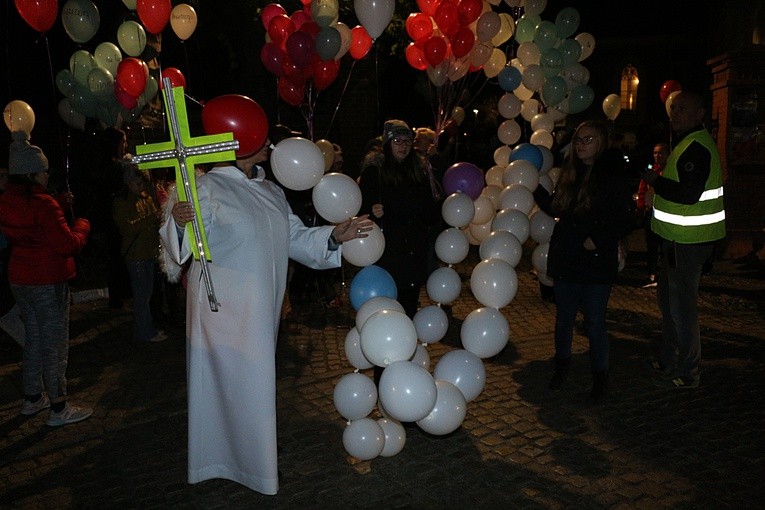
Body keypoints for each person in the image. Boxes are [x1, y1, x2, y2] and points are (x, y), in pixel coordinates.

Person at [159, 135, 373, 495]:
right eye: (259, 137)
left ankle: (252, 462)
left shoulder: (271, 190)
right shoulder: (208, 187)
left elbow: (294, 237)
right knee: (219, 386)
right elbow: (184, 251)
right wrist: (180, 223)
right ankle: (215, 460)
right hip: (220, 310)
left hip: (260, 312)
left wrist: (334, 236)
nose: (269, 144)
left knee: (255, 388)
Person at [532, 120, 635, 402]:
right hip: (568, 258)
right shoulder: (570, 173)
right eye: (578, 139)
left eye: (588, 140)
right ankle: (561, 366)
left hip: (595, 261)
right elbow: (556, 206)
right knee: (564, 319)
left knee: (594, 323)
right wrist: (532, 187)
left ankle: (600, 377)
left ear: (601, 143)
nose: (581, 144)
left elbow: (626, 218)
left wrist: (598, 238)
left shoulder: (612, 176)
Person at [0, 131, 92, 425]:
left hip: (20, 277)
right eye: (43, 170)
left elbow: (35, 229)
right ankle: (58, 406)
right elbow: (67, 244)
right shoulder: (43, 204)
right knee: (54, 343)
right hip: (47, 279)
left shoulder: (6, 201)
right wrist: (82, 226)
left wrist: (59, 208)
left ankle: (32, 398)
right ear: (32, 173)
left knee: (35, 339)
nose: (46, 175)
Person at [641, 91, 726, 389]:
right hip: (676, 240)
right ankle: (668, 358)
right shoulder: (687, 143)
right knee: (668, 302)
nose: (675, 114)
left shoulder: (696, 147)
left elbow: (688, 194)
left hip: (688, 243)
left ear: (700, 113)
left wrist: (655, 182)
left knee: (681, 308)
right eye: (674, 108)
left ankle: (689, 370)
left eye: (684, 109)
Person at [358, 120, 442, 318]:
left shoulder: (418, 172)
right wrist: (372, 211)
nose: (403, 146)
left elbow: (430, 211)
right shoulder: (374, 172)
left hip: (413, 251)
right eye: (397, 141)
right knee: (387, 305)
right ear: (388, 143)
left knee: (409, 305)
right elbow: (362, 209)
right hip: (388, 252)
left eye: (407, 141)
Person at [112, 165, 166, 343]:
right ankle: (144, 331)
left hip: (149, 253)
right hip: (136, 256)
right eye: (136, 182)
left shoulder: (146, 197)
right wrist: (152, 218)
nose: (141, 185)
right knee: (142, 296)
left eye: (142, 181)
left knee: (146, 294)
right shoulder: (121, 202)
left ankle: (146, 327)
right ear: (128, 183)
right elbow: (128, 227)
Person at [636, 142, 669, 288]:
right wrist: (641, 208)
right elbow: (642, 191)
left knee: (664, 247)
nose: (657, 156)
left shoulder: (669, 171)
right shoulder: (651, 171)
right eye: (655, 153)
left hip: (665, 215)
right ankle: (652, 274)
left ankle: (664, 275)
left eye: (660, 153)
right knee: (652, 247)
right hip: (651, 213)